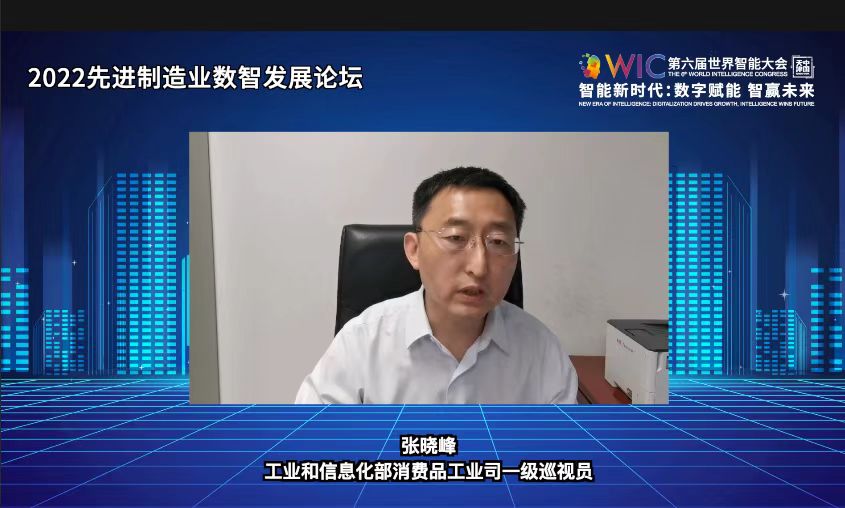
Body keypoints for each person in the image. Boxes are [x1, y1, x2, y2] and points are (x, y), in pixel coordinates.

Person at [295, 166, 578, 404]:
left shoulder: (542, 351)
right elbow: (309, 440)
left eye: (498, 242)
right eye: (456, 238)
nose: (479, 266)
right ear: (414, 250)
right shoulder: (363, 342)